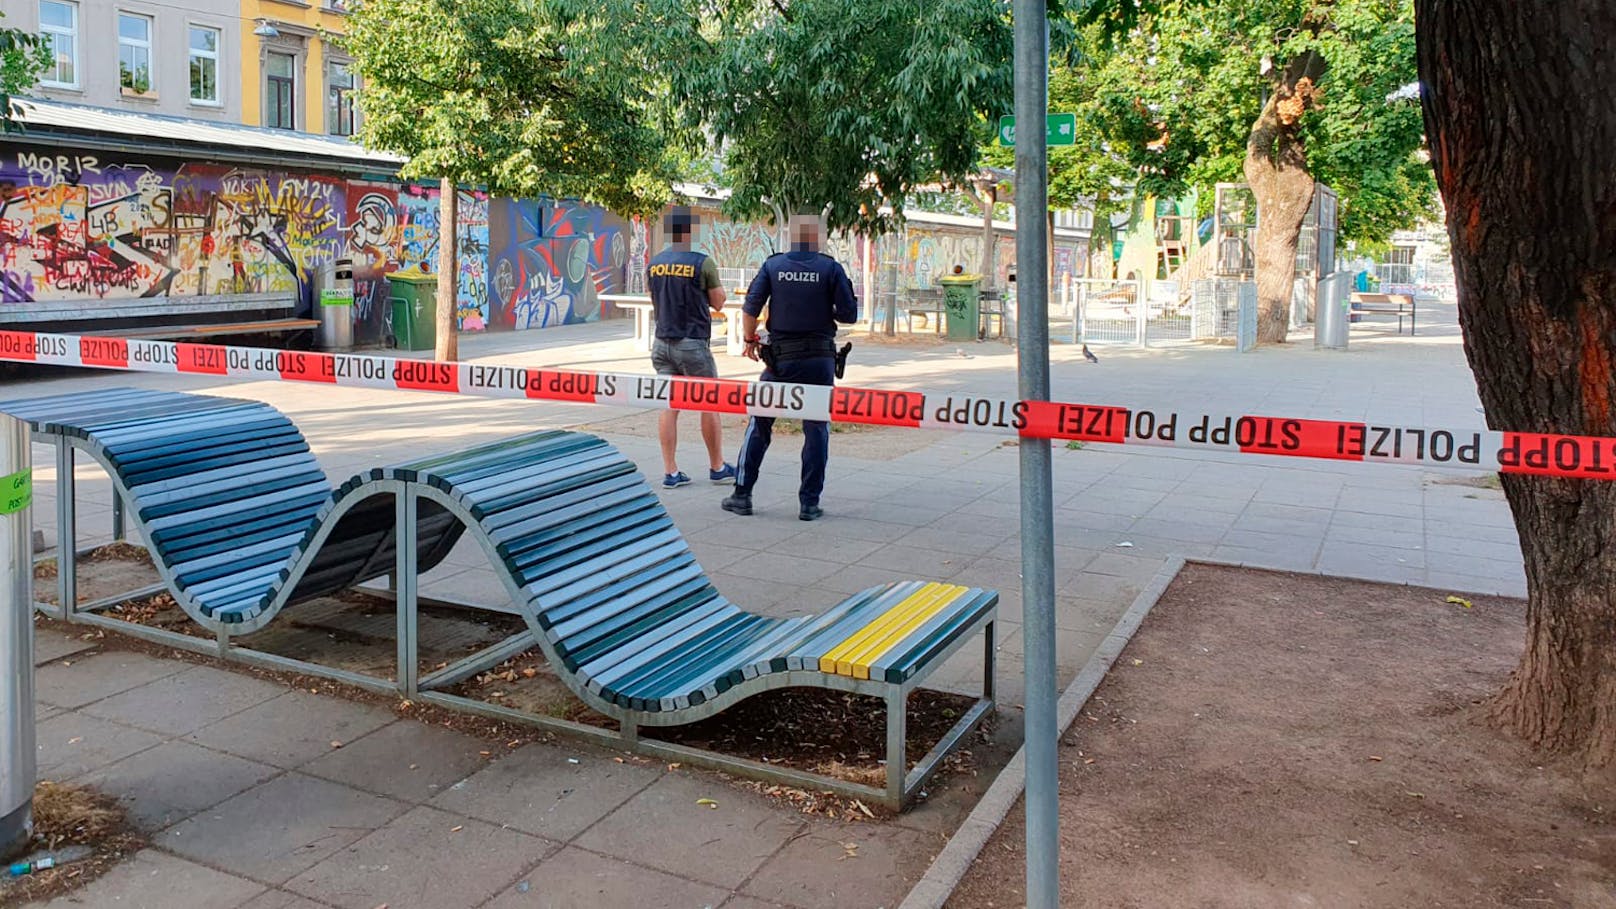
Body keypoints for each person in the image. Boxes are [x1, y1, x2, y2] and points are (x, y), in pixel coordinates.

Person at [721, 214, 858, 521]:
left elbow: (750, 308)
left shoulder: (773, 265)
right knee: (816, 428)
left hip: (779, 361)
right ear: (818, 238)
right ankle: (809, 504)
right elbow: (849, 315)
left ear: (791, 236)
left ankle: (742, 495)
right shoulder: (831, 268)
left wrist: (749, 340)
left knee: (760, 422)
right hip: (820, 362)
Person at [647, 207, 736, 489]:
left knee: (668, 405)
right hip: (693, 344)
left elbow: (655, 299)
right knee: (709, 403)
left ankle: (670, 472)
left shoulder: (655, 263)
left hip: (661, 343)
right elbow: (719, 301)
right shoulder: (703, 263)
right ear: (690, 232)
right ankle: (717, 467)